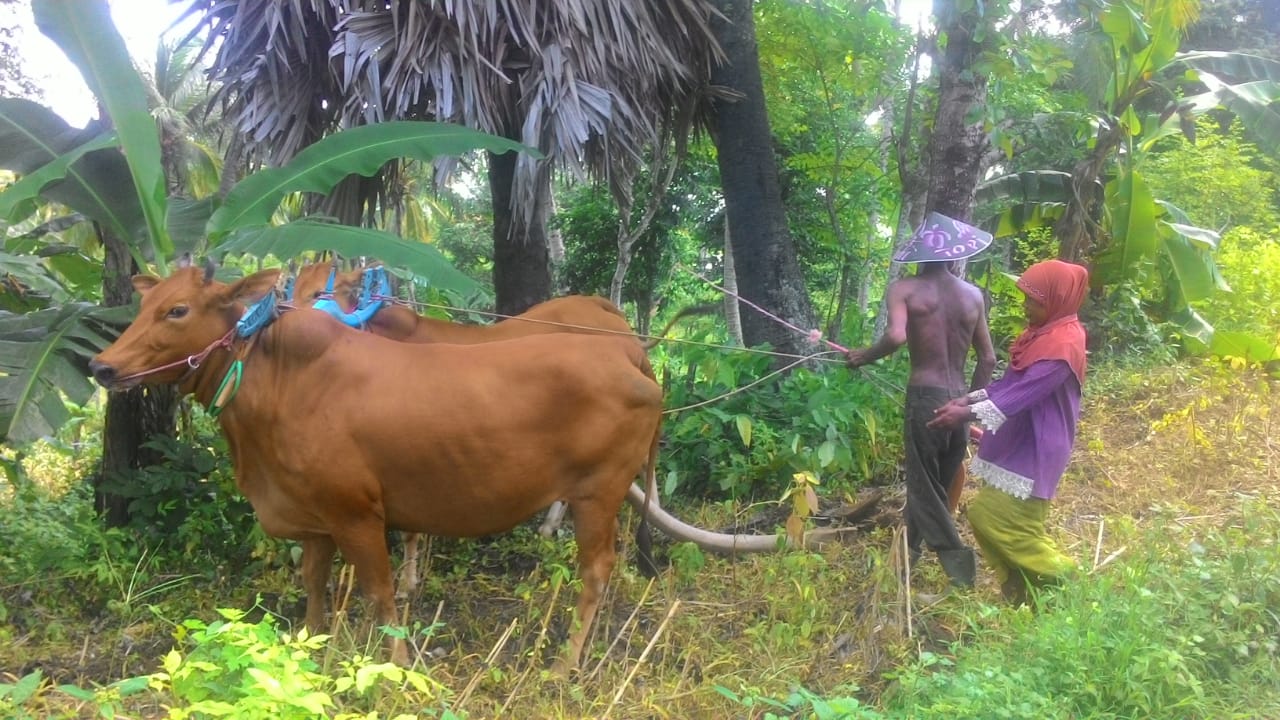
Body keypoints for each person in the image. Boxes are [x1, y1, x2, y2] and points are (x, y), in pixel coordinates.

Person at [847, 212, 997, 586]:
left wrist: (864, 354)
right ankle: (907, 558)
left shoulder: (906, 289)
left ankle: (958, 562)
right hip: (958, 399)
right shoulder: (973, 295)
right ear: (952, 255)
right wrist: (969, 407)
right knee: (937, 483)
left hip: (925, 396)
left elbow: (896, 337)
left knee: (923, 485)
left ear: (918, 255)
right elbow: (989, 358)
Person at [927, 259, 1088, 603]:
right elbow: (1008, 385)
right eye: (1026, 298)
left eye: (1035, 300)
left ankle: (1071, 580)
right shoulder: (1044, 335)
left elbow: (1022, 395)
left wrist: (964, 413)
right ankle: (1025, 590)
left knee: (1007, 523)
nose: (1027, 307)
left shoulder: (1063, 345)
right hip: (1021, 437)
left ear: (1057, 299)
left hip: (1037, 444)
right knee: (992, 518)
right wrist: (966, 400)